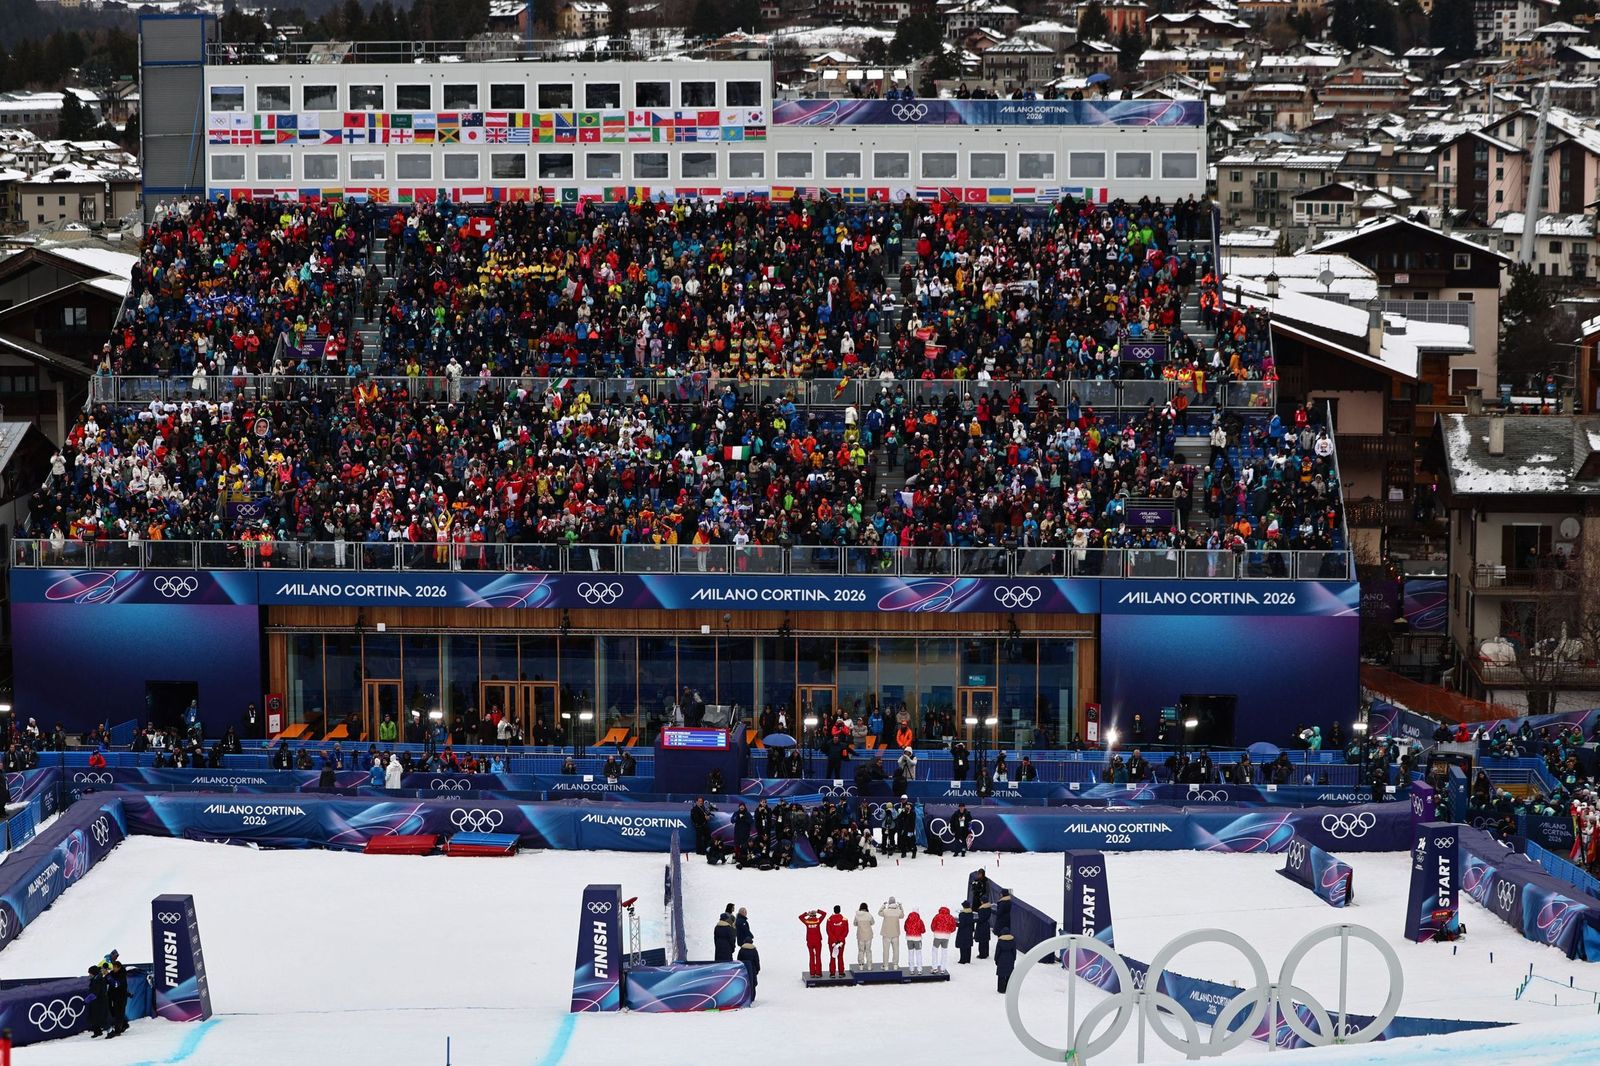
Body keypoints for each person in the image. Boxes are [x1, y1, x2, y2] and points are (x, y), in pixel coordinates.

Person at [878, 896, 905, 969]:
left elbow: (879, 913)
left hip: (886, 934)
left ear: (889, 903)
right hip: (895, 934)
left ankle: (885, 965)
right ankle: (895, 965)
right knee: (896, 950)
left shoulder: (885, 911)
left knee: (886, 951)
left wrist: (883, 905)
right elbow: (902, 915)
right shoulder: (898, 911)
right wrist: (900, 906)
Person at [106, 958, 129, 1036]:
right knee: (115, 1013)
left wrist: (108, 975)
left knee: (119, 1013)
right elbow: (107, 981)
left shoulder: (122, 975)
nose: (113, 968)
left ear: (119, 967)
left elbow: (116, 984)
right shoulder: (112, 973)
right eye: (113, 967)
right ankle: (124, 1024)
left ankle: (117, 1030)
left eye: (115, 967)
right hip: (113, 997)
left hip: (121, 997)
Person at [799, 909, 825, 977]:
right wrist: (818, 911)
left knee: (811, 957)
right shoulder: (818, 921)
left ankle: (812, 973)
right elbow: (824, 914)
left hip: (810, 941)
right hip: (818, 941)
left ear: (810, 915)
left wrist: (806, 914)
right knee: (818, 957)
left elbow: (800, 917)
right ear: (815, 915)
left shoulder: (807, 921)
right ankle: (818, 973)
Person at [826, 905, 850, 976]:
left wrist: (834, 940)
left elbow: (828, 931)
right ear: (840, 910)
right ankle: (841, 972)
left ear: (834, 910)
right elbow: (846, 931)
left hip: (832, 942)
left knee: (832, 956)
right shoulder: (844, 920)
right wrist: (840, 940)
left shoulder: (829, 919)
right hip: (841, 942)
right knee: (840, 956)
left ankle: (832, 973)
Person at [931, 905, 957, 971]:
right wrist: (949, 932)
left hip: (937, 936)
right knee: (944, 951)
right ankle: (943, 968)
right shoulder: (951, 917)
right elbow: (954, 927)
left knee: (934, 950)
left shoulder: (937, 916)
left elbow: (933, 925)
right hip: (946, 936)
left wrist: (934, 930)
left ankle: (934, 967)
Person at [87, 964, 109, 1037]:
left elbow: (95, 993)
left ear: (93, 973)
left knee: (102, 1018)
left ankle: (110, 1031)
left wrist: (86, 1000)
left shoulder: (98, 980)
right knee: (94, 1018)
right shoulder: (95, 979)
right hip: (96, 1002)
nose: (89, 974)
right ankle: (97, 1031)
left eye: (89, 973)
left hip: (100, 1002)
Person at [853, 902, 875, 968]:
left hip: (860, 935)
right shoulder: (869, 915)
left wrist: (859, 924)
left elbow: (854, 923)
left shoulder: (857, 915)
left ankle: (861, 965)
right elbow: (873, 922)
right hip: (868, 935)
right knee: (868, 950)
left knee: (861, 950)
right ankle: (869, 965)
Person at [995, 928, 1017, 993]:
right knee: (1009, 975)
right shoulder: (1013, 941)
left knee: (1001, 975)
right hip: (1010, 959)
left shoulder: (1000, 941)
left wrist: (996, 960)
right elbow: (1014, 952)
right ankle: (1008, 989)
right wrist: (1013, 959)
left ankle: (1001, 989)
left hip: (1001, 959)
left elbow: (997, 952)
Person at [974, 893, 993, 960]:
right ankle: (986, 953)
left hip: (982, 926)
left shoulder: (982, 909)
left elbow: (981, 919)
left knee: (981, 940)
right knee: (986, 940)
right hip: (986, 925)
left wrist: (974, 920)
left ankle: (982, 954)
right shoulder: (989, 908)